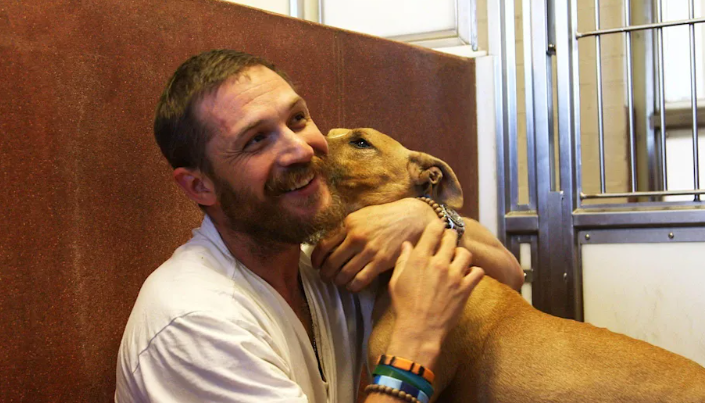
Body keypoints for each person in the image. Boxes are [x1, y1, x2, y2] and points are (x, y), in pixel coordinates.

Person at [115, 49, 523, 403]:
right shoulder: (195, 321)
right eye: (256, 140)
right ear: (199, 186)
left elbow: (509, 272)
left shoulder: (320, 262)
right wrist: (414, 343)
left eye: (297, 118)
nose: (300, 147)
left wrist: (425, 214)